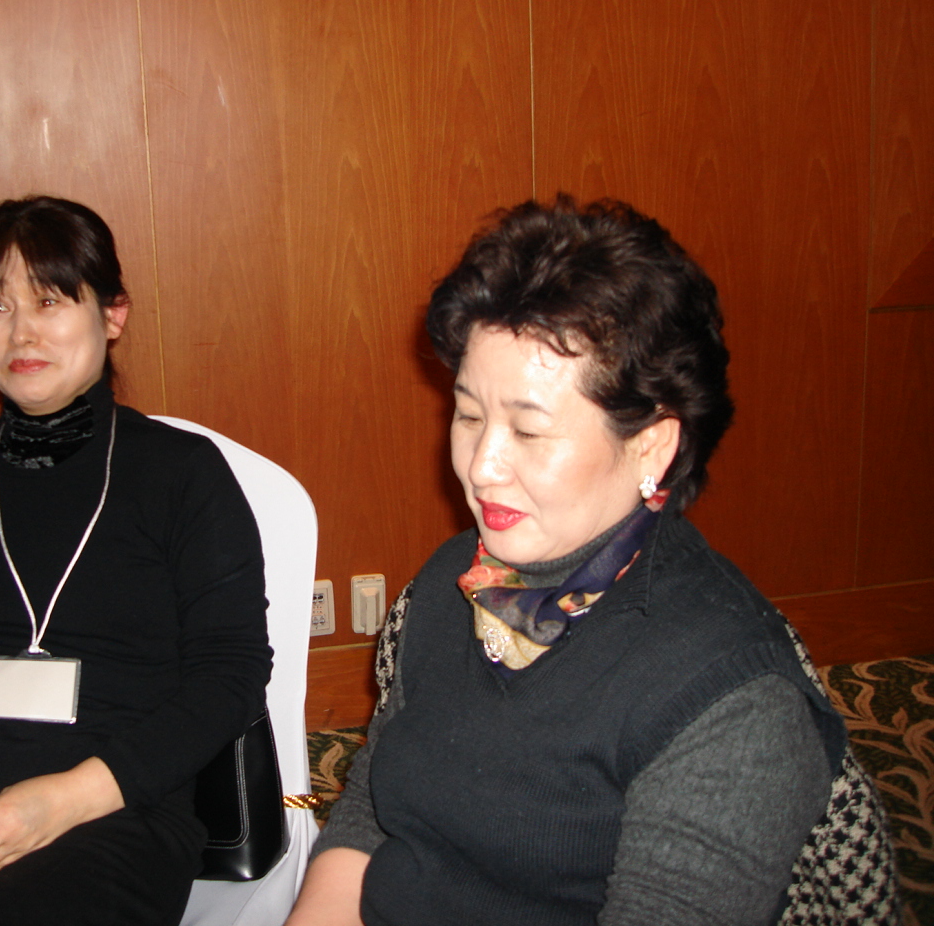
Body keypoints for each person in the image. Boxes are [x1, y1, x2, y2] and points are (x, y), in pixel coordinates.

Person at [286, 196, 890, 925]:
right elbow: (373, 809)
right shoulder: (454, 579)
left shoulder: (729, 699)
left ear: (651, 446)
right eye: (470, 415)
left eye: (529, 431)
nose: (481, 467)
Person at [0, 196, 271, 926]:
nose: (21, 333)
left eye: (49, 301)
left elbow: (231, 675)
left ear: (113, 315)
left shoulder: (182, 472)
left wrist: (64, 800)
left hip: (113, 802)